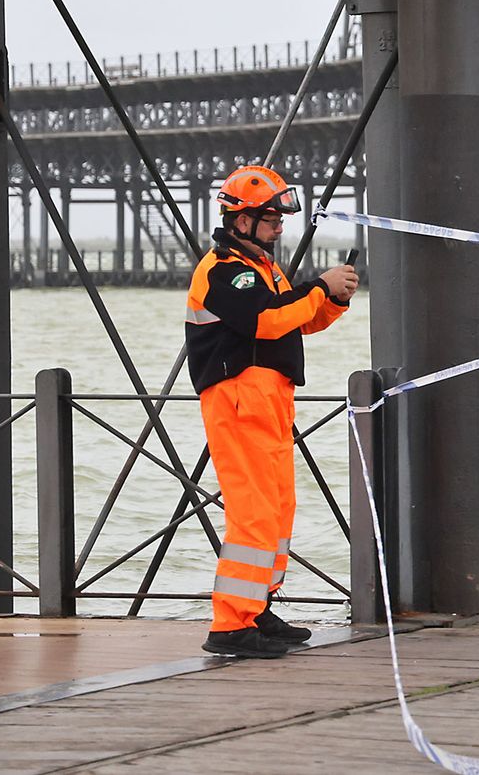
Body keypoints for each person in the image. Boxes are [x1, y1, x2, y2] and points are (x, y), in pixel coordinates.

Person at [184, 164, 359, 658]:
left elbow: (293, 321)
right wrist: (319, 288)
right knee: (254, 513)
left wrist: (332, 301)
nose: (280, 226)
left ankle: (256, 607)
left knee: (279, 508)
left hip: (270, 399)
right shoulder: (224, 270)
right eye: (270, 218)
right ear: (242, 220)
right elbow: (265, 319)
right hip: (239, 399)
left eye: (280, 218)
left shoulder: (262, 268)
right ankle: (230, 625)